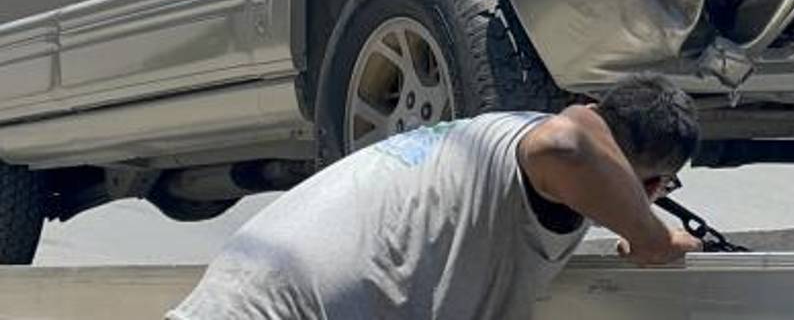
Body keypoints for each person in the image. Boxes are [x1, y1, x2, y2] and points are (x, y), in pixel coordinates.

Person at [168, 74, 703, 319]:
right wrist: (653, 238)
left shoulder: (488, 146)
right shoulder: (547, 146)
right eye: (658, 187)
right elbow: (569, 143)